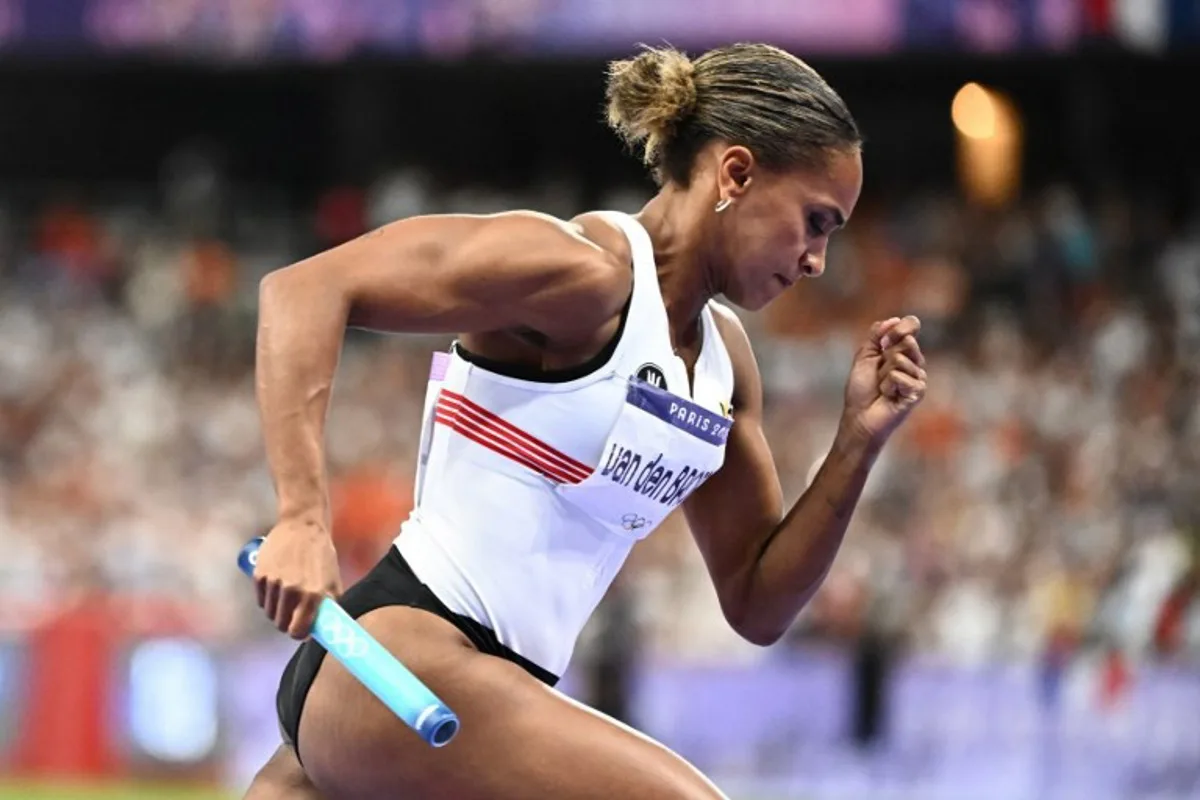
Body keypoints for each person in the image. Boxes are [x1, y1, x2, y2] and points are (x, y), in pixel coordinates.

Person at [245, 43, 928, 800]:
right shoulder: (578, 275)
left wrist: (856, 445)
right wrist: (303, 519)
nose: (817, 261)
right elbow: (304, 291)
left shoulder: (723, 368)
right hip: (397, 664)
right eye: (815, 221)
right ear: (735, 173)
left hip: (480, 704)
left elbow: (759, 602)